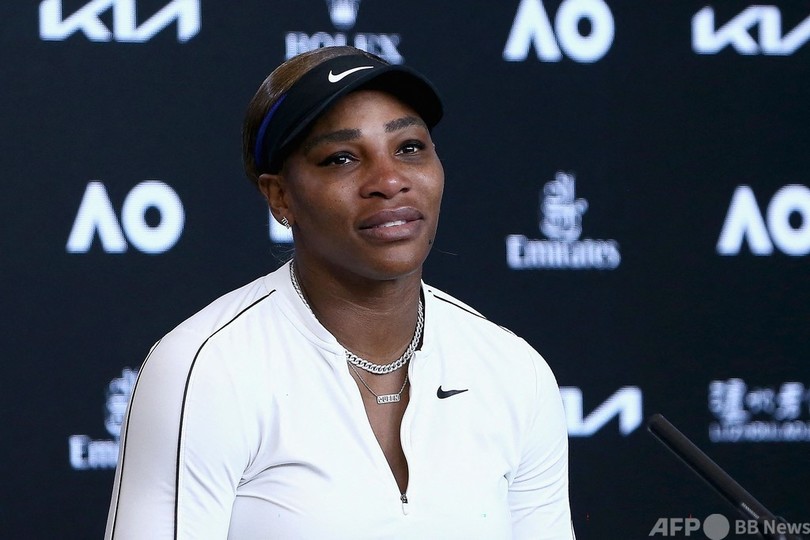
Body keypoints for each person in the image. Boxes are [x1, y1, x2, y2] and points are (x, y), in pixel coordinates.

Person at [104, 45, 574, 539]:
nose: (389, 181)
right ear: (280, 197)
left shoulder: (513, 371)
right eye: (341, 158)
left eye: (409, 148)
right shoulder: (206, 369)